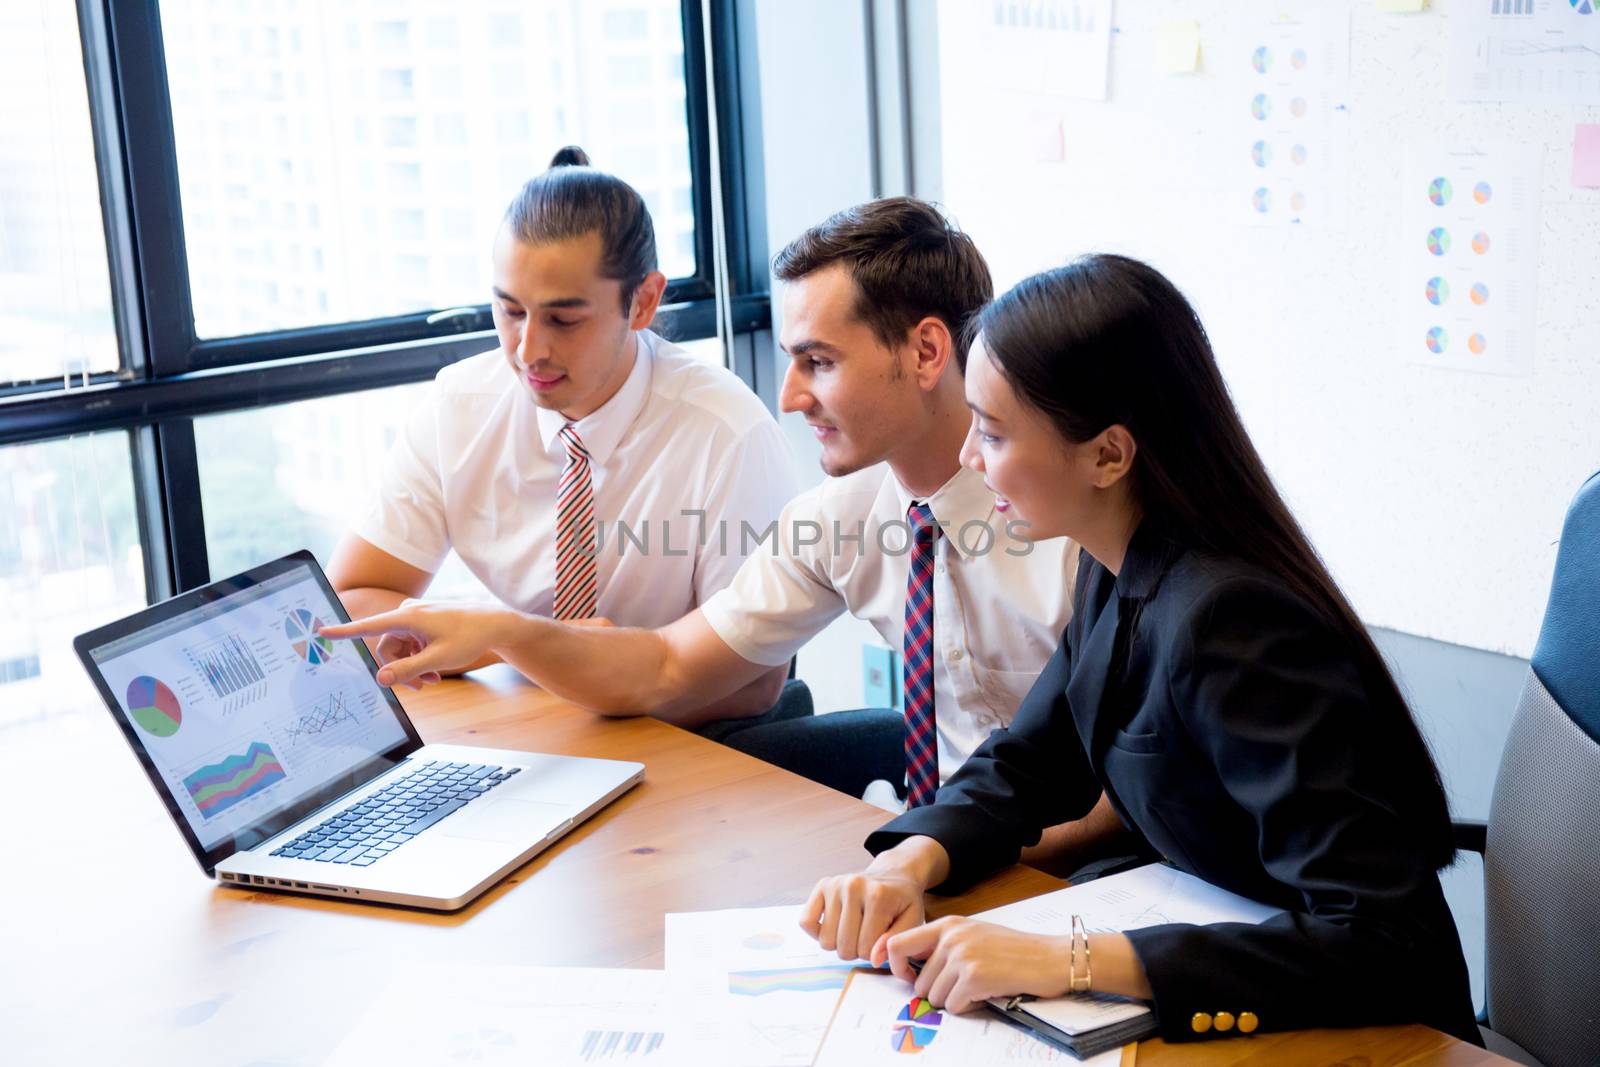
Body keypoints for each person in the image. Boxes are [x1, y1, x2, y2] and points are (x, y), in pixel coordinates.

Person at [321, 198, 1127, 873]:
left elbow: (1126, 805)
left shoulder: (1069, 523)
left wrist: (929, 866)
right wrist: (500, 632)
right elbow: (670, 664)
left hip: (1066, 876)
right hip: (947, 851)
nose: (788, 396)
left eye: (817, 361)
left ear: (924, 351)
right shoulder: (836, 520)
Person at [797, 254, 1480, 1046]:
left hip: (1359, 1031)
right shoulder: (1116, 557)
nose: (967, 460)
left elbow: (1387, 941)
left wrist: (1070, 960)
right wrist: (906, 863)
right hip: (1231, 971)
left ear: (1109, 455)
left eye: (990, 431)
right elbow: (1030, 759)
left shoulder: (1234, 622)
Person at [327, 146, 795, 719]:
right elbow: (352, 599)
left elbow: (756, 682)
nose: (529, 351)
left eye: (564, 319)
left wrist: (516, 642)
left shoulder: (728, 434)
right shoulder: (459, 407)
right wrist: (513, 644)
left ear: (643, 301)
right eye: (510, 311)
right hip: (528, 727)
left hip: (682, 736)